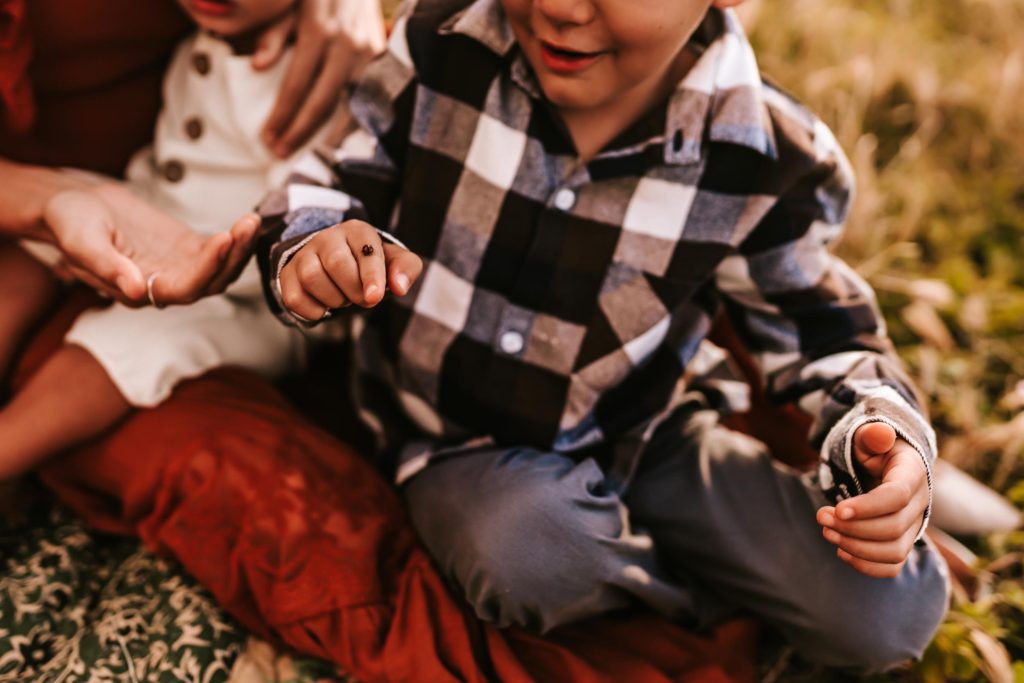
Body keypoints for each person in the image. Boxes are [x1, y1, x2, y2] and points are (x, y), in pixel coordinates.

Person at [254, 0, 950, 670]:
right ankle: (676, 590)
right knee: (527, 552)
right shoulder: (441, 41)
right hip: (456, 442)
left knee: (888, 612)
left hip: (644, 433)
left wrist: (883, 434)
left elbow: (825, 332)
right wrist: (316, 244)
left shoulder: (767, 155)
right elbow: (333, 177)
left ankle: (639, 559)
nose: (560, 7)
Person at [0, 0, 379, 494]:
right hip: (158, 215)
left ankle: (10, 450)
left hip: (252, 297)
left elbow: (313, 217)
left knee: (136, 345)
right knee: (46, 226)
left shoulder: (311, 74)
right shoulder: (200, 36)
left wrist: (219, 258)